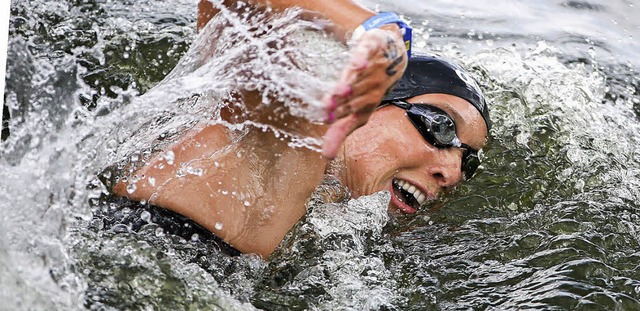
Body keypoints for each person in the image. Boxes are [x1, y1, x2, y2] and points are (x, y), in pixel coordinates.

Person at [108, 0, 490, 259]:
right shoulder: (290, 142)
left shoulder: (325, 218)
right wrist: (380, 33)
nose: (452, 172)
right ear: (370, 100)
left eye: (467, 162)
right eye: (439, 127)